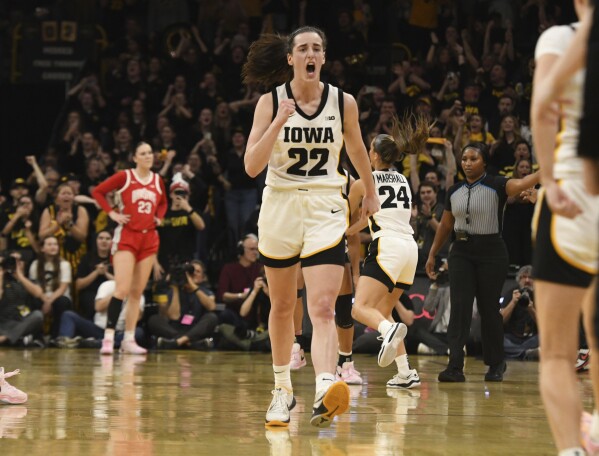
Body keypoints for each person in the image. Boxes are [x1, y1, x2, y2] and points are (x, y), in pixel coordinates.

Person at [242, 25, 379, 428]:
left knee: (321, 306)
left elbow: (356, 149)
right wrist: (277, 123)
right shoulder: (270, 102)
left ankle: (324, 386)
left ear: (323, 57)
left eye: (317, 48)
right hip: (281, 205)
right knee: (284, 306)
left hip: (325, 206)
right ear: (290, 59)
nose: (310, 54)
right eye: (302, 48)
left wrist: (369, 191)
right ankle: (282, 391)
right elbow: (252, 166)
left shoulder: (343, 102)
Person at [529, 1, 599, 453]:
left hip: (576, 201)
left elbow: (543, 109)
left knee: (556, 352)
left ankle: (573, 450)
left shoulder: (560, 38)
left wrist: (550, 180)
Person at [425, 141, 539, 383]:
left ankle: (496, 363)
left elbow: (521, 183)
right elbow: (445, 225)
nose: (467, 163)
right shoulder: (454, 190)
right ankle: (455, 366)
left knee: (489, 310)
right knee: (460, 309)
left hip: (492, 253)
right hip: (461, 252)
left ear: (484, 162)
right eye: (464, 158)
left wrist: (544, 171)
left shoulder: (497, 184)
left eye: (473, 158)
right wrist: (433, 253)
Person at [348, 115, 426, 390]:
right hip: (409, 250)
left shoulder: (363, 183)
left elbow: (347, 217)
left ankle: (387, 331)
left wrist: (345, 228)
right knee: (384, 309)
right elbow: (379, 214)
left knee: (359, 309)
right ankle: (406, 372)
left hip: (388, 247)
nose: (367, 152)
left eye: (370, 148)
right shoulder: (403, 181)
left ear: (376, 155)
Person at [92, 141, 167, 355]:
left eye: (150, 153)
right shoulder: (125, 177)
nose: (148, 156)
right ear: (134, 158)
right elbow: (98, 192)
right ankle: (108, 338)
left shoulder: (157, 180)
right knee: (122, 289)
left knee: (137, 293)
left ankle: (129, 339)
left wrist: (159, 218)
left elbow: (163, 203)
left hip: (149, 239)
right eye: (143, 153)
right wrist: (112, 213)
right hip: (127, 237)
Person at [150, 260, 218, 350]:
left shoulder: (206, 292)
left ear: (203, 277)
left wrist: (192, 285)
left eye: (198, 272)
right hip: (175, 329)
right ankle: (189, 343)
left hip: (195, 329)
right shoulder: (175, 290)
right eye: (191, 271)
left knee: (212, 317)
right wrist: (175, 288)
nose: (193, 273)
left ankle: (176, 342)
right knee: (153, 319)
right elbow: (174, 316)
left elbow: (212, 307)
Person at [500, 265, 539, 360]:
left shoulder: (540, 296)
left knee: (546, 338)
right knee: (497, 339)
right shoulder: (510, 294)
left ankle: (517, 352)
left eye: (530, 277)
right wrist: (513, 302)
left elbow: (545, 326)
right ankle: (525, 353)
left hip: (532, 338)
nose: (527, 280)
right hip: (512, 338)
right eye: (524, 277)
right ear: (518, 280)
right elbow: (501, 321)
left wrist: (531, 309)